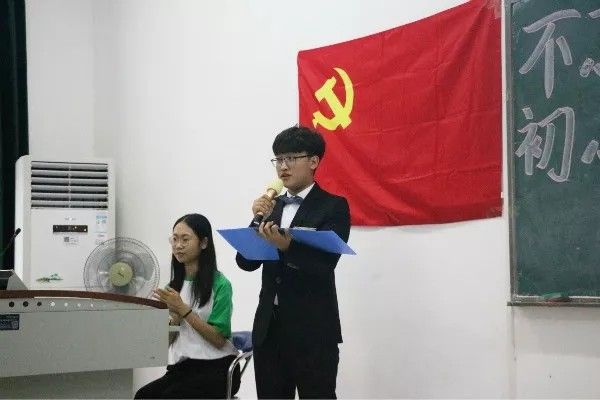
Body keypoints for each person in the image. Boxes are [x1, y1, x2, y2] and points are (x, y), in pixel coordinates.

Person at [236, 125, 351, 399]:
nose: (283, 167)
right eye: (278, 159)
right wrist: (255, 221)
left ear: (313, 161)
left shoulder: (333, 206)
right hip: (269, 329)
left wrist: (287, 246)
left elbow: (325, 265)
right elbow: (246, 262)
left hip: (313, 329)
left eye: (291, 158)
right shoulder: (272, 205)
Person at [135, 213, 241, 399]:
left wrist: (184, 310)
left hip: (217, 367)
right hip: (183, 367)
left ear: (204, 243)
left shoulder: (221, 285)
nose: (178, 245)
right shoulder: (172, 288)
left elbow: (219, 340)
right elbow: (165, 344)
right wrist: (173, 320)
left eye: (185, 239)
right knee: (143, 395)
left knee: (170, 397)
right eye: (174, 239)